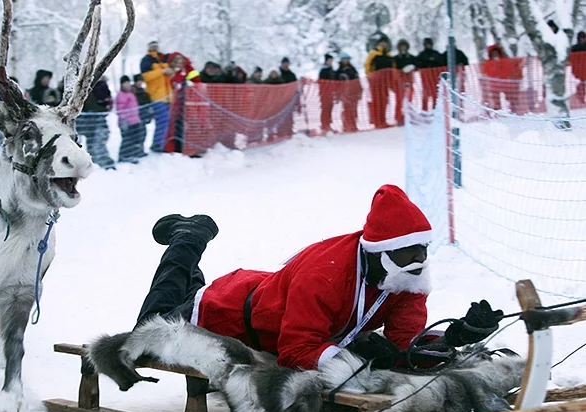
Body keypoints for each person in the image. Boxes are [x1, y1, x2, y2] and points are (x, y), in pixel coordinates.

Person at [133, 184, 502, 376]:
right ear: (379, 252)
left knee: (190, 291)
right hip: (225, 310)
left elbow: (403, 345)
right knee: (147, 330)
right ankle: (188, 237)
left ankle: (190, 248)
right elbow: (295, 352)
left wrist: (454, 336)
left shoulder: (405, 276)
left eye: (424, 249)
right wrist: (355, 360)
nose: (421, 261)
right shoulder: (325, 274)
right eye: (410, 252)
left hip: (275, 302)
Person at [140, 40, 173, 152]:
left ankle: (163, 143)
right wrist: (162, 71)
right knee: (162, 120)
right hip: (155, 95)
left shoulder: (163, 58)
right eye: (152, 46)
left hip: (167, 95)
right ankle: (157, 144)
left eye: (156, 46)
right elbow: (145, 77)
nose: (154, 48)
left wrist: (170, 72)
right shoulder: (146, 60)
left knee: (167, 121)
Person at [79, 77, 115, 169]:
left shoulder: (100, 86)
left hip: (96, 116)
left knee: (99, 138)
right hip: (88, 117)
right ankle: (95, 160)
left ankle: (101, 160)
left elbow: (105, 100)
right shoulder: (85, 86)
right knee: (93, 139)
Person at [480, 44, 525, 113]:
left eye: (496, 53)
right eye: (493, 53)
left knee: (511, 99)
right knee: (496, 101)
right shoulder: (488, 63)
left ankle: (514, 112)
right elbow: (487, 73)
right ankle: (498, 113)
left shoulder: (506, 61)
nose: (495, 55)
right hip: (494, 85)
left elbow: (510, 70)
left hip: (506, 84)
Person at [365, 37, 394, 129]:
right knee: (377, 101)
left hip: (386, 82)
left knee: (384, 101)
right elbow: (367, 65)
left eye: (385, 43)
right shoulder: (373, 53)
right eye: (381, 43)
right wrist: (370, 76)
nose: (383, 45)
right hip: (376, 82)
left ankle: (383, 120)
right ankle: (377, 121)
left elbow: (393, 67)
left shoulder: (389, 55)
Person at [115, 75, 143, 164]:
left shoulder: (131, 93)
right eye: (125, 83)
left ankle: (132, 154)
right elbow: (120, 109)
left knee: (134, 139)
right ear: (121, 84)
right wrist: (123, 120)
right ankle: (124, 156)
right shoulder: (121, 95)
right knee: (127, 139)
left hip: (135, 120)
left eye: (128, 83)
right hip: (126, 121)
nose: (127, 85)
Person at [335, 52, 361, 133]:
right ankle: (346, 125)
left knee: (354, 109)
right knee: (346, 109)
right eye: (344, 59)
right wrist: (338, 93)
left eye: (347, 59)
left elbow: (357, 80)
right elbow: (336, 83)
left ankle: (353, 125)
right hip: (345, 93)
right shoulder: (339, 71)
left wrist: (360, 90)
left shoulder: (353, 69)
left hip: (354, 92)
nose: (346, 61)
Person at [416, 38, 444, 111]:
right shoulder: (422, 55)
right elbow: (418, 64)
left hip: (435, 78)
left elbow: (441, 63)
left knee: (435, 94)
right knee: (426, 94)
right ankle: (424, 110)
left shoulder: (436, 53)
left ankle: (436, 108)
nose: (428, 45)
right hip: (426, 78)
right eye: (427, 44)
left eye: (429, 44)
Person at [394, 39, 416, 125]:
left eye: (404, 46)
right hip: (399, 81)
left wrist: (412, 67)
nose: (403, 48)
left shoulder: (411, 57)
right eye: (401, 46)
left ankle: (409, 117)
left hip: (409, 80)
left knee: (409, 99)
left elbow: (417, 63)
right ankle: (399, 117)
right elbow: (393, 69)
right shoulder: (395, 58)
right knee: (399, 100)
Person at [133, 74, 152, 157]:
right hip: (135, 117)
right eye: (138, 81)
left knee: (143, 134)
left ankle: (141, 150)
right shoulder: (133, 92)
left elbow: (148, 105)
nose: (140, 83)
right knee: (136, 135)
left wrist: (149, 116)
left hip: (143, 116)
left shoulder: (144, 92)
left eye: (141, 81)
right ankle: (136, 151)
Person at [318, 54, 336, 133]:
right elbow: (321, 82)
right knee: (325, 109)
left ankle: (328, 124)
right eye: (329, 60)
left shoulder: (331, 69)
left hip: (331, 92)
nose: (331, 62)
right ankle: (324, 125)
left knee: (330, 109)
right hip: (325, 93)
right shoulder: (323, 70)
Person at [571, 31, 586, 108]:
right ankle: (581, 98)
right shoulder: (575, 48)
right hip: (580, 70)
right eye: (581, 38)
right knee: (582, 84)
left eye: (584, 38)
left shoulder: (574, 48)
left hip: (582, 69)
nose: (582, 39)